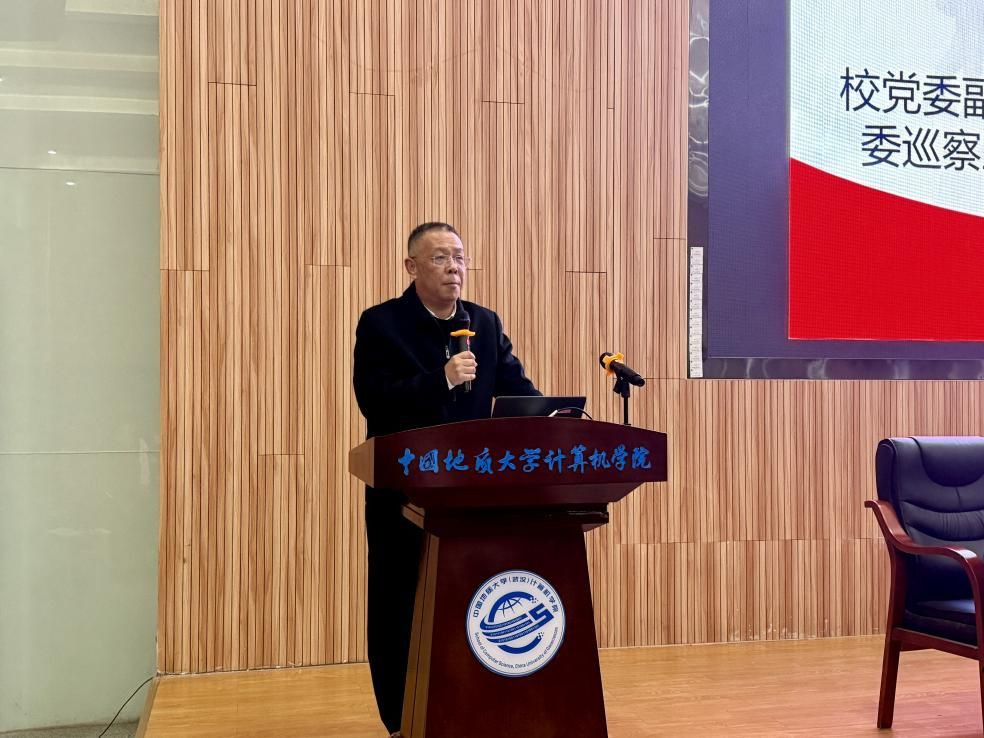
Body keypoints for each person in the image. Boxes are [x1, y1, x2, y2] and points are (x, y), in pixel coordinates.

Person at [353, 222, 540, 735]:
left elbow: (518, 390)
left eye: (459, 257)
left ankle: (471, 706)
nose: (454, 267)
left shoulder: (484, 322)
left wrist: (553, 417)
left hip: (473, 493)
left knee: (471, 599)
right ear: (411, 267)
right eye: (440, 258)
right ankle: (400, 718)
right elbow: (375, 400)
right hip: (403, 489)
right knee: (398, 603)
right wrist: (441, 379)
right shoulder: (381, 324)